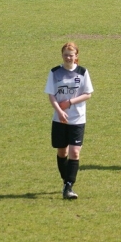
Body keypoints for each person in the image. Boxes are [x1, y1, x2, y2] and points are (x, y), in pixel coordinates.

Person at [45, 42, 94, 199]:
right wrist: (59, 111)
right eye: (65, 55)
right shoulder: (55, 72)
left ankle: (68, 186)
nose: (68, 58)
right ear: (62, 55)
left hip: (78, 118)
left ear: (76, 56)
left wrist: (70, 102)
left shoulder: (82, 72)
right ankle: (66, 180)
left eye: (71, 55)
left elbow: (88, 94)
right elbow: (51, 95)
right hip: (60, 119)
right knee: (62, 151)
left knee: (74, 152)